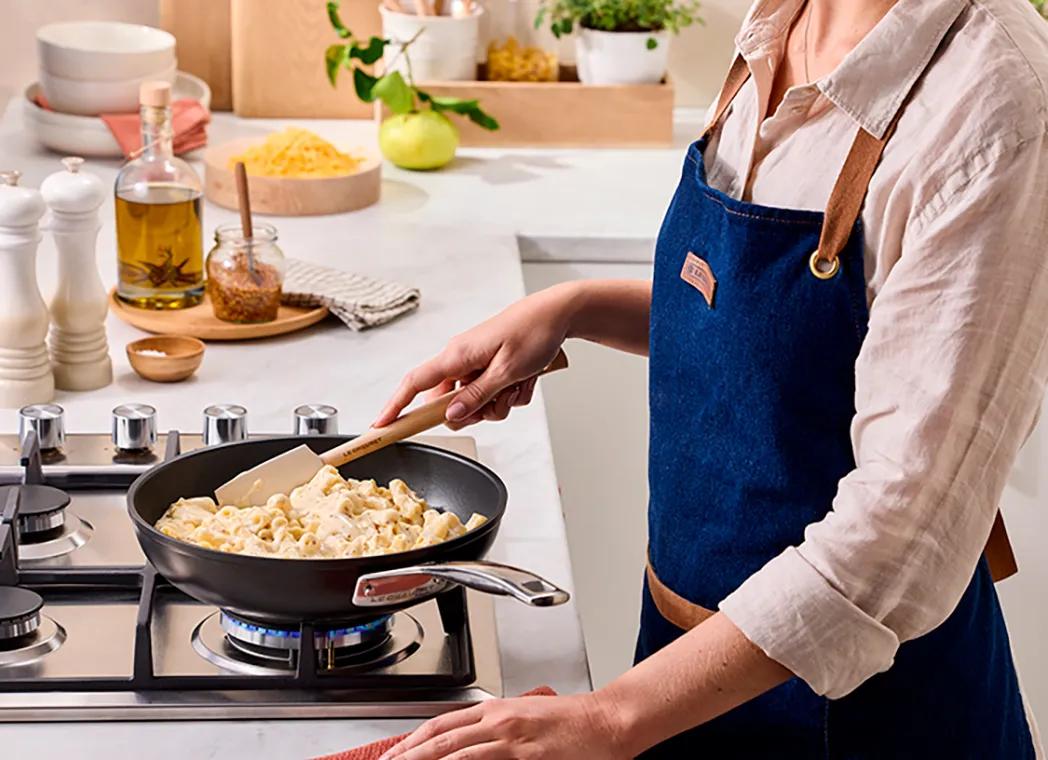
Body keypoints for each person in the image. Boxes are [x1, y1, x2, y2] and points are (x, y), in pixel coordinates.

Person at [373, 0, 1048, 756]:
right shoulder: (779, 21)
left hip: (861, 716)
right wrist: (574, 308)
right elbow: (776, 330)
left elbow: (902, 534)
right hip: (682, 678)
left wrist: (611, 717)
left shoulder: (995, 101)